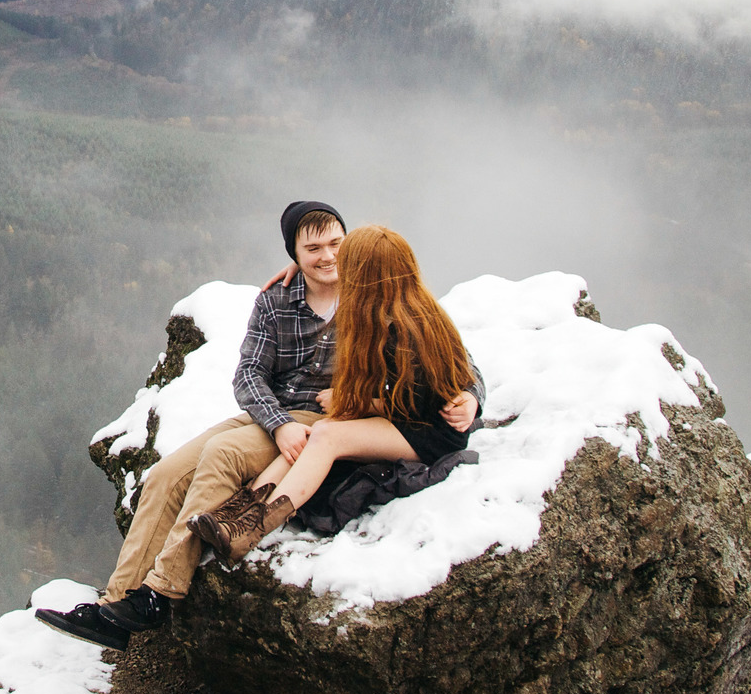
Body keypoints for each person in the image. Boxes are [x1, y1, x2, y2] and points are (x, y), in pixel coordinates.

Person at [36, 201, 475, 650]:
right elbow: (249, 374)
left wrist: (471, 399)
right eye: (313, 249)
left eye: (336, 244)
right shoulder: (278, 299)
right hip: (271, 413)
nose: (328, 256)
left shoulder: (371, 292)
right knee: (166, 475)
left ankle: (159, 594)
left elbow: (452, 362)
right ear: (295, 255)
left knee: (221, 456)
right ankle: (117, 604)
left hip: (326, 416)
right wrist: (277, 422)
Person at [189, 224, 481, 561]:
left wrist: (351, 403)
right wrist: (299, 263)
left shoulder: (412, 326)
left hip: (429, 432)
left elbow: (414, 405)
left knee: (328, 436)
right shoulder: (383, 310)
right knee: (319, 434)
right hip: (406, 421)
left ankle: (254, 527)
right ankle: (236, 515)